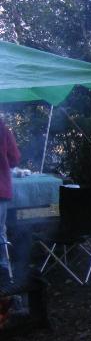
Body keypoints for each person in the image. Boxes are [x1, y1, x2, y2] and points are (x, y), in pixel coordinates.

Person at [0, 117, 20, 278]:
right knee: (0, 230)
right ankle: (4, 269)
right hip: (1, 188)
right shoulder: (3, 130)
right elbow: (14, 158)